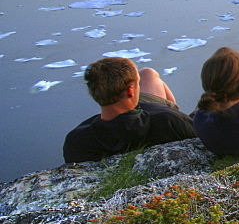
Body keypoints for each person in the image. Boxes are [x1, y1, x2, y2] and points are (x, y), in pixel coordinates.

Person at [63, 57, 196, 163]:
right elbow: (198, 136)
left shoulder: (76, 141)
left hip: (134, 117)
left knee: (147, 74)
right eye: (137, 83)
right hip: (158, 117)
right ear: (130, 90)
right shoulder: (170, 121)